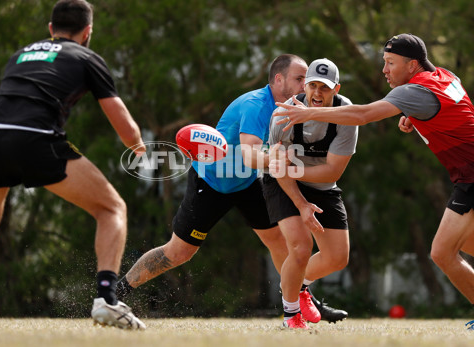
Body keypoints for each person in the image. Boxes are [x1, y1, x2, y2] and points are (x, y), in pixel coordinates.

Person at [0, 0, 146, 331]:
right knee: (112, 209)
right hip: (34, 138)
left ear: (51, 29)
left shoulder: (20, 54)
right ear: (88, 32)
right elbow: (125, 128)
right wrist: (139, 147)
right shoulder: (87, 57)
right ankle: (107, 299)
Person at [275, 33, 474, 331]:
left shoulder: (413, 92)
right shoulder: (442, 76)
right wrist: (418, 117)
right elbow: (452, 101)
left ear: (412, 65)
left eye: (390, 63)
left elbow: (362, 114)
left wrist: (308, 112)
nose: (384, 70)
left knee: (442, 253)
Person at [115, 54, 348, 323]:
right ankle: (115, 294)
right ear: (278, 79)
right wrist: (276, 160)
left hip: (248, 182)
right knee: (179, 252)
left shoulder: (292, 108)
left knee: (283, 244)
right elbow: (250, 154)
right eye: (300, 79)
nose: (305, 86)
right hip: (212, 183)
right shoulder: (256, 105)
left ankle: (303, 301)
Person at [263, 58, 357, 329]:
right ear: (304, 85)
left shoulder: (345, 114)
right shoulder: (283, 114)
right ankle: (291, 315)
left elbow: (332, 172)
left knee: (337, 258)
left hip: (319, 181)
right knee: (301, 247)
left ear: (336, 88)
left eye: (325, 88)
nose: (317, 93)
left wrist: (291, 168)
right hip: (281, 182)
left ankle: (299, 286)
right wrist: (301, 203)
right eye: (313, 85)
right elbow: (278, 170)